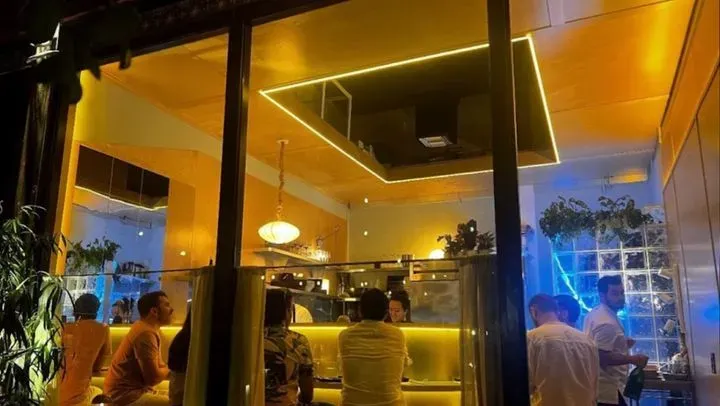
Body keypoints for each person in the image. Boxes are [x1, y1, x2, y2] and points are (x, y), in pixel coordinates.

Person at [584, 276, 649, 406]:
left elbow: (598, 347)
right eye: (614, 293)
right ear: (602, 295)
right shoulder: (607, 322)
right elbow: (601, 357)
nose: (620, 297)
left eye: (622, 292)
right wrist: (633, 359)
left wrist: (622, 344)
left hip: (599, 388)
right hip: (608, 389)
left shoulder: (596, 313)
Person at [339, 288, 408, 406]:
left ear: (360, 311)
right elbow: (404, 365)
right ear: (386, 313)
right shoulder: (397, 335)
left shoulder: (345, 336)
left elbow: (341, 367)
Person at [526, 294, 599, 406]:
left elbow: (527, 384)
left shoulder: (532, 338)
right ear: (557, 311)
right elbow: (594, 385)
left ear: (534, 311)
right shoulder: (587, 340)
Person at [105, 291, 173, 405]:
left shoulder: (146, 328)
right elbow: (153, 378)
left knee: (180, 396)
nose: (171, 310)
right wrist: (173, 369)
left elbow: (159, 368)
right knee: (181, 401)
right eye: (167, 305)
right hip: (124, 397)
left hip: (130, 393)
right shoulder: (145, 333)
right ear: (154, 311)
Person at [264, 289, 314, 406]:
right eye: (290, 309)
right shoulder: (298, 341)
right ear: (286, 312)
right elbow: (307, 395)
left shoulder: (251, 339)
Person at [59, 294, 111, 406]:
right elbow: (98, 365)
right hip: (78, 395)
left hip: (56, 393)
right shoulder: (103, 329)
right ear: (96, 309)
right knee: (99, 391)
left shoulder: (65, 328)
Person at [167, 309, 191, 406]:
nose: (171, 309)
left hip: (177, 396)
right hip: (180, 398)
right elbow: (152, 376)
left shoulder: (181, 337)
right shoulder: (189, 339)